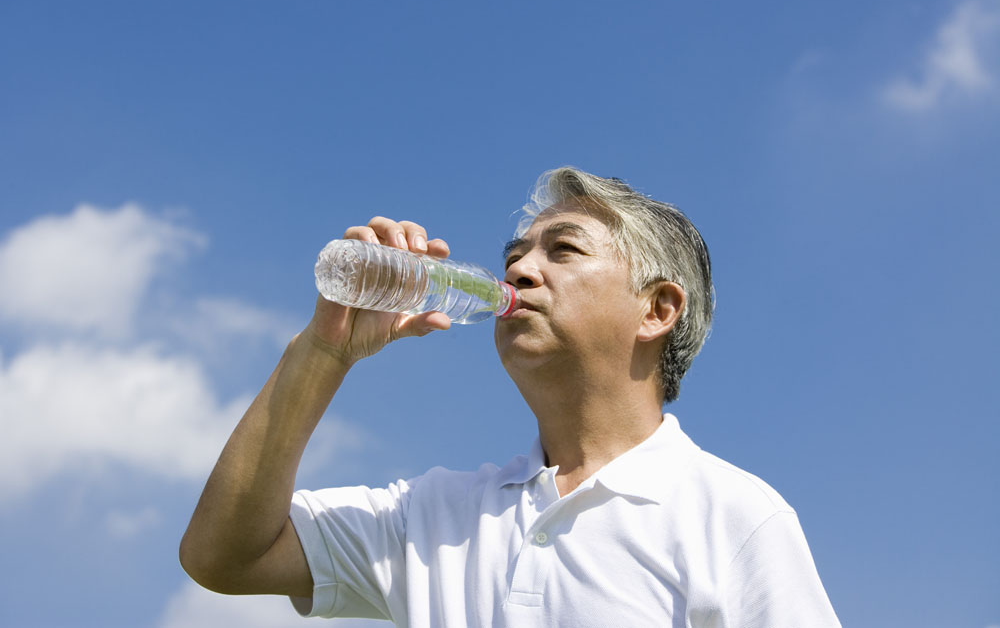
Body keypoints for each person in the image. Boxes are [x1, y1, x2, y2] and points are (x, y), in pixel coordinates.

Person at [180, 167, 841, 626]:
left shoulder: (733, 517)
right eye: (516, 254)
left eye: (564, 249)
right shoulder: (430, 515)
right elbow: (224, 553)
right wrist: (323, 352)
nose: (520, 270)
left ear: (657, 308)